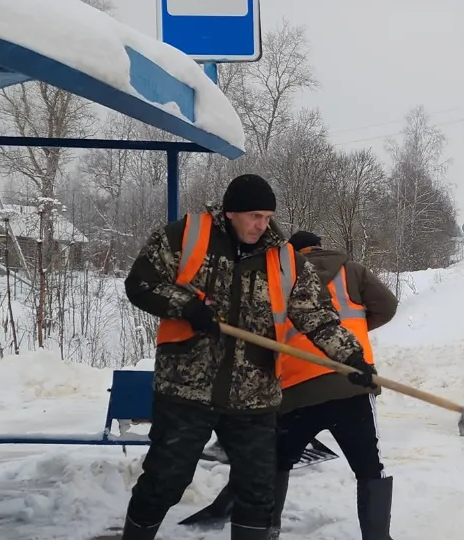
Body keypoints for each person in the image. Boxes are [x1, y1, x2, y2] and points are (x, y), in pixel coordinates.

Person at [115, 175, 375, 540]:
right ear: (231, 212)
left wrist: (352, 357)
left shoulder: (285, 261)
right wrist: (185, 306)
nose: (262, 225)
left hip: (255, 395)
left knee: (257, 491)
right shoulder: (185, 238)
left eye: (267, 216)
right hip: (187, 388)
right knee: (165, 479)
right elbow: (140, 282)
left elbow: (316, 316)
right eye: (254, 215)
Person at [196, 230, 399, 539]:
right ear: (319, 245)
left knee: (276, 462)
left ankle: (268, 529)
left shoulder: (278, 280)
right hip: (351, 381)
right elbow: (387, 306)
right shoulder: (352, 270)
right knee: (370, 466)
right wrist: (354, 332)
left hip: (295, 391)